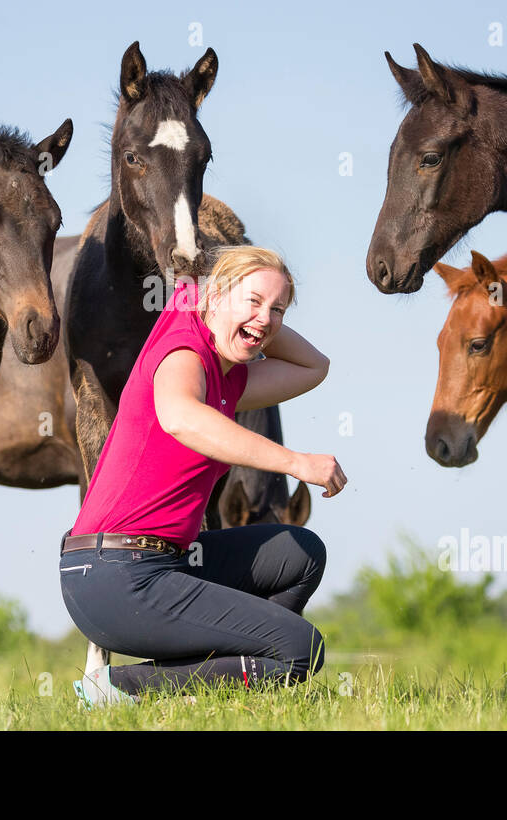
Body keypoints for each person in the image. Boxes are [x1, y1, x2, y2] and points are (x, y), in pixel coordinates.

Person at [59, 245, 346, 706]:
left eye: (278, 309)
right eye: (252, 300)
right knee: (300, 650)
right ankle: (117, 690)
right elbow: (180, 418)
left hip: (165, 562)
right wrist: (295, 462)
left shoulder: (228, 377)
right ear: (212, 296)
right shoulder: (183, 350)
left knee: (301, 553)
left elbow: (316, 367)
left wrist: (257, 322)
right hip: (114, 576)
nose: (267, 319)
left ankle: (236, 680)